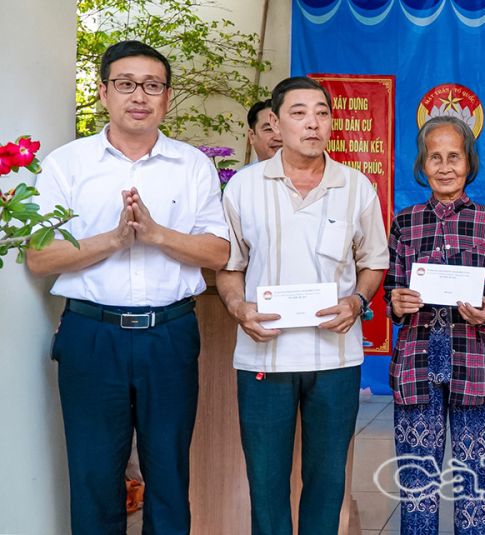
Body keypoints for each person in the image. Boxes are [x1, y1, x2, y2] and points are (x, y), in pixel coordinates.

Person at [26, 40, 230, 534]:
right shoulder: (66, 165)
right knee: (95, 475)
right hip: (92, 336)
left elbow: (218, 252)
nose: (139, 96)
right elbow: (39, 256)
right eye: (125, 84)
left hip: (170, 335)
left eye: (152, 86)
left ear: (165, 96)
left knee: (168, 475)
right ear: (103, 93)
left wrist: (157, 234)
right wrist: (115, 239)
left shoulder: (192, 165)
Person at [216, 76, 389, 534]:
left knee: (328, 479)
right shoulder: (243, 188)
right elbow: (228, 266)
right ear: (274, 121)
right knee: (266, 481)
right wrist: (238, 308)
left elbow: (374, 262)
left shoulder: (356, 188)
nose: (312, 123)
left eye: (322, 112)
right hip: (263, 356)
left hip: (334, 356)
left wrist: (357, 300)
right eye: (298, 113)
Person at [383, 115, 485, 535]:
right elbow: (391, 287)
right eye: (434, 157)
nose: (444, 166)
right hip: (417, 364)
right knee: (417, 483)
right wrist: (396, 302)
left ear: (469, 163)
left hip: (476, 364)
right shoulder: (405, 222)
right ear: (422, 166)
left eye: (453, 157)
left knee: (477, 483)